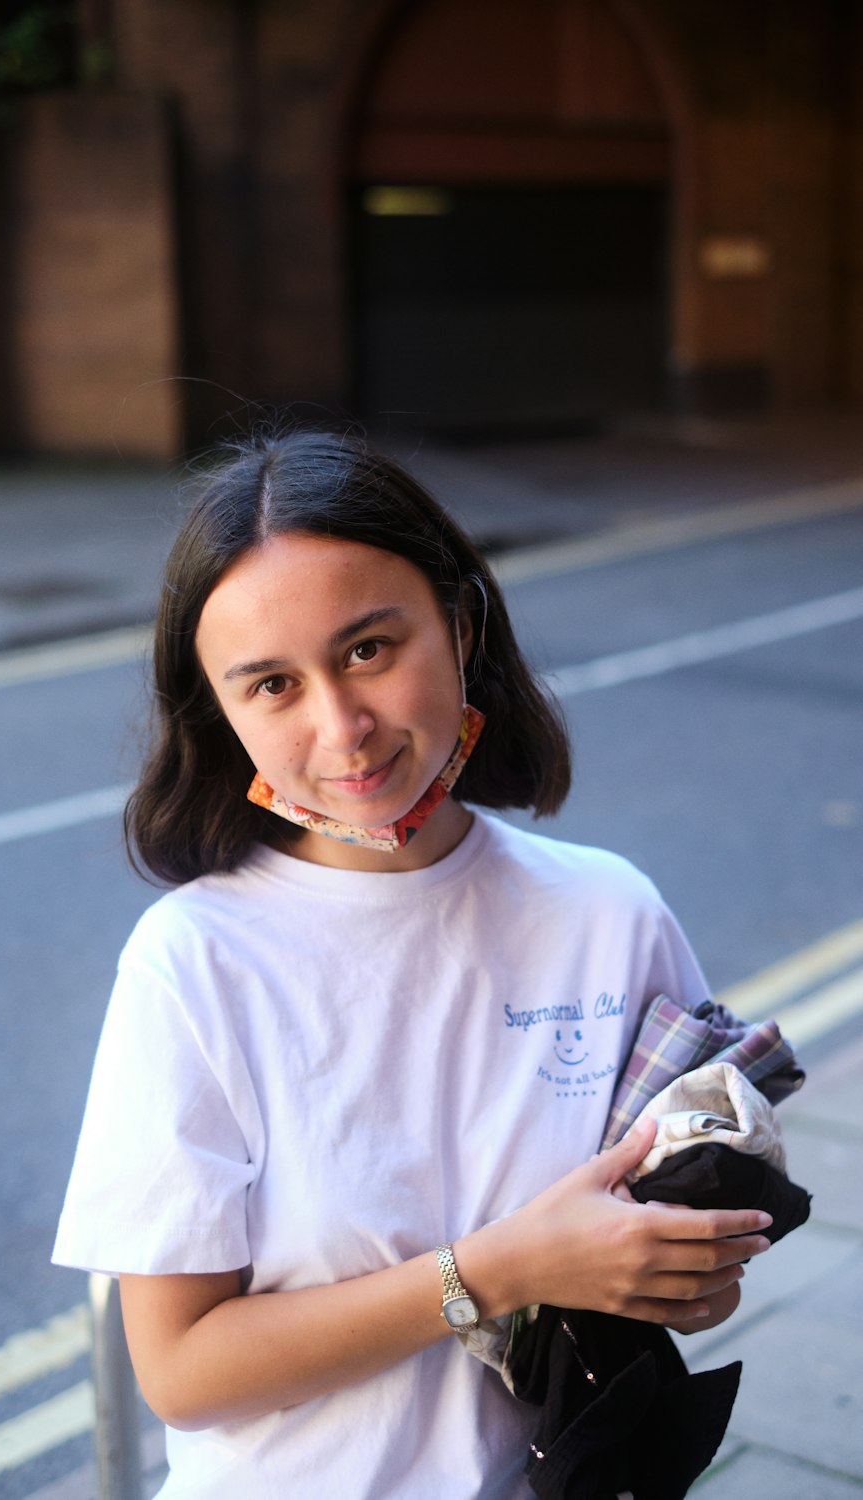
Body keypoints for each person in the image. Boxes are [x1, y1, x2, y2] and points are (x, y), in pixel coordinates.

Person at [52, 428, 773, 1500]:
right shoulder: (194, 963)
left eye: (368, 650)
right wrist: (500, 1269)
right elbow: (183, 1373)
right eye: (271, 686)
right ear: (222, 713)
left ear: (459, 624)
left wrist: (680, 1275)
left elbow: (668, 1240)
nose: (341, 729)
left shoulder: (607, 912)